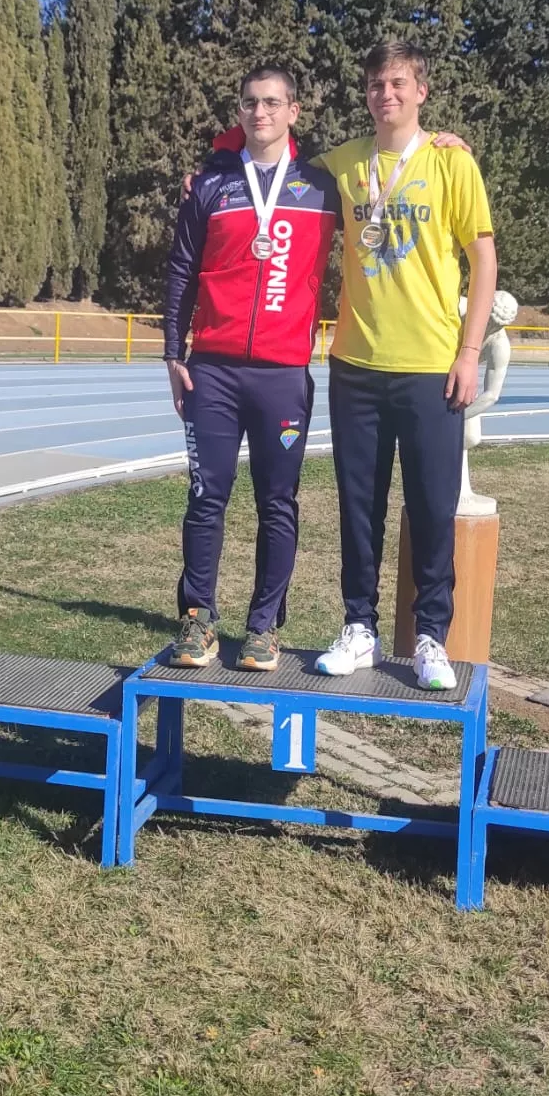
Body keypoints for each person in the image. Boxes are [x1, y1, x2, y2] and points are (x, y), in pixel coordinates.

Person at [311, 42, 498, 691]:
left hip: (430, 366)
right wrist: (220, 160)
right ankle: (358, 627)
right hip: (356, 364)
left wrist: (470, 353)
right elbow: (271, 163)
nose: (384, 94)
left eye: (397, 83)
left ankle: (430, 639)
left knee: (431, 506)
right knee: (359, 506)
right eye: (375, 84)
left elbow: (484, 262)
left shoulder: (451, 163)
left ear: (421, 90)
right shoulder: (343, 164)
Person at [163, 66, 338, 672]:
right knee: (206, 496)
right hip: (211, 368)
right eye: (248, 104)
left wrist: (446, 143)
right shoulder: (210, 186)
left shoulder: (324, 187)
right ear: (238, 114)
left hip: (283, 374)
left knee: (278, 502)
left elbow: (390, 166)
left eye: (271, 103)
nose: (258, 113)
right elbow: (181, 272)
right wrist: (170, 352)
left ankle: (264, 627)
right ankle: (197, 619)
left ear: (294, 111)